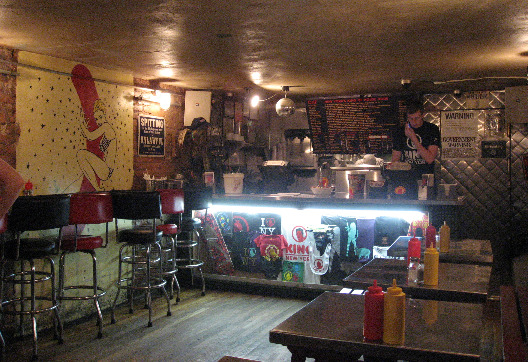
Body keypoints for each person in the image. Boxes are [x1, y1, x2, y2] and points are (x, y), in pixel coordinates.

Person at [391, 100, 440, 175]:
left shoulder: (432, 129)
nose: (413, 122)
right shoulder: (400, 131)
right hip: (406, 177)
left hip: (426, 176)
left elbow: (429, 159)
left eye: (416, 118)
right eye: (410, 118)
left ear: (423, 115)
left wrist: (413, 138)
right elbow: (395, 160)